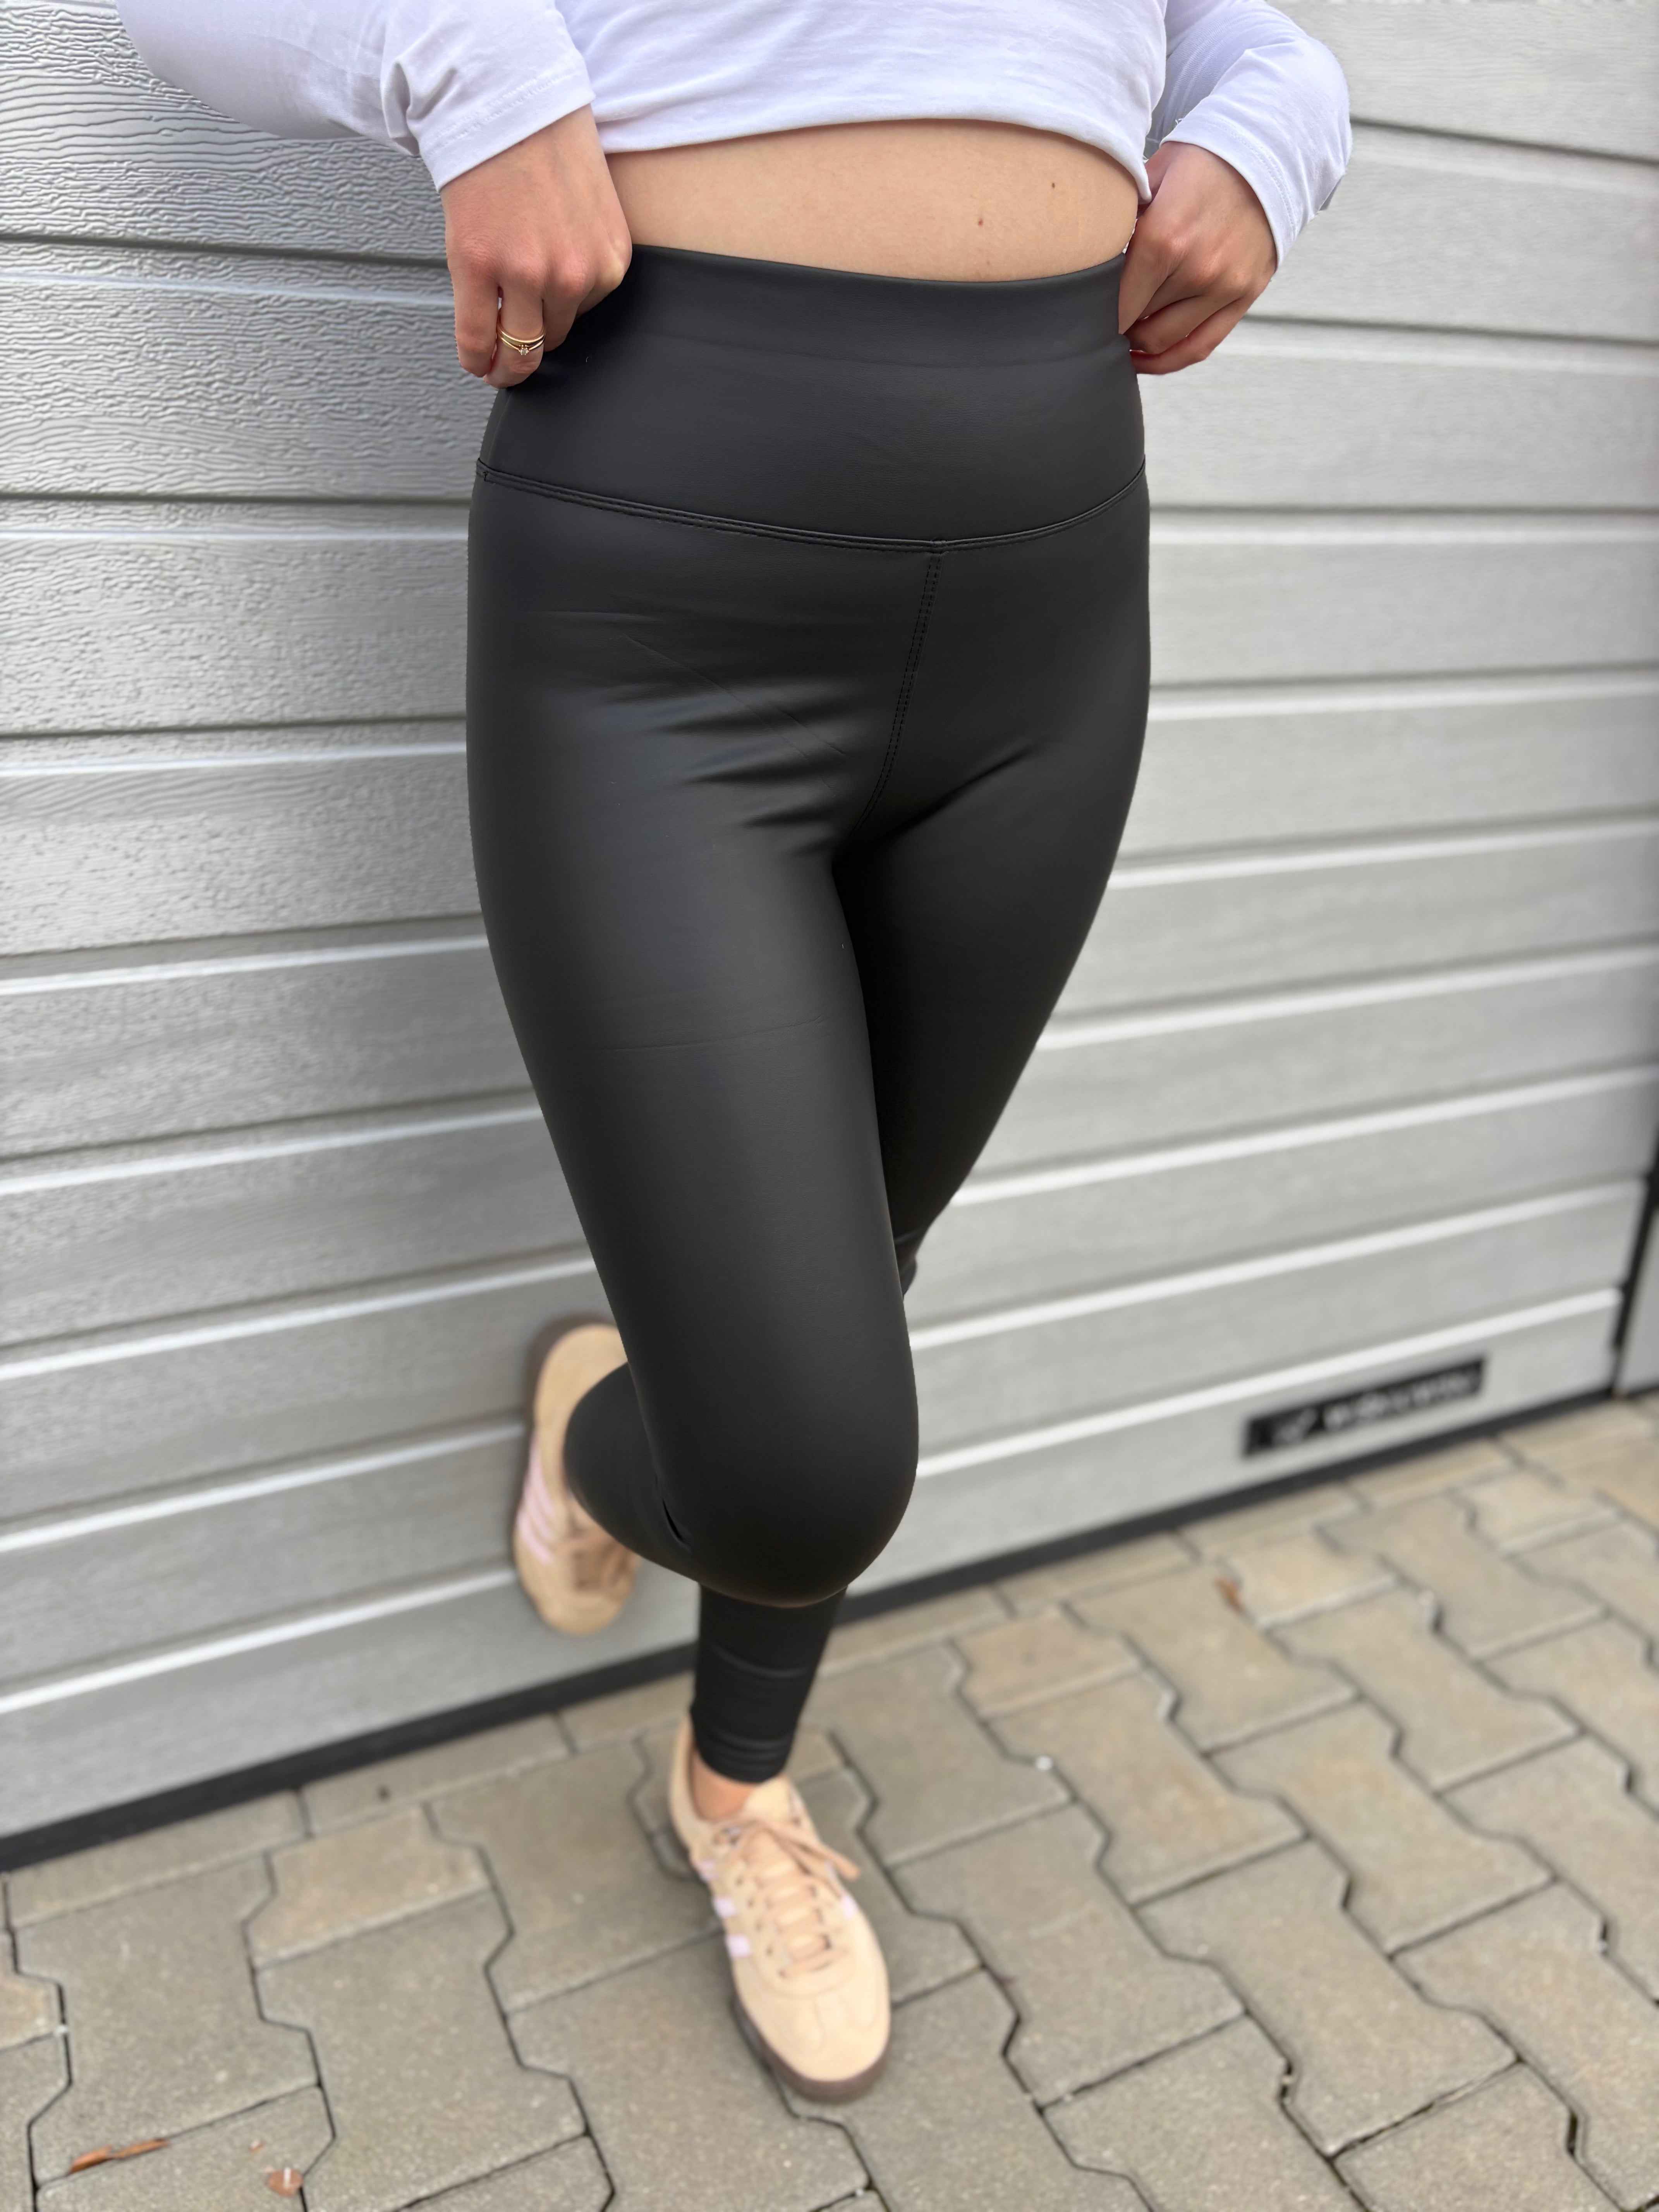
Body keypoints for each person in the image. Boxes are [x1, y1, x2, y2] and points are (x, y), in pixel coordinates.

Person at [117, 0, 1349, 2101]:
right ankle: (612, 1433)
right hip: (664, 609)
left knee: (865, 1257)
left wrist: (1270, 132)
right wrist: (467, 67)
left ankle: (738, 1787)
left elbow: (1248, 36)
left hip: (1051, 609)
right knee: (799, 1465)